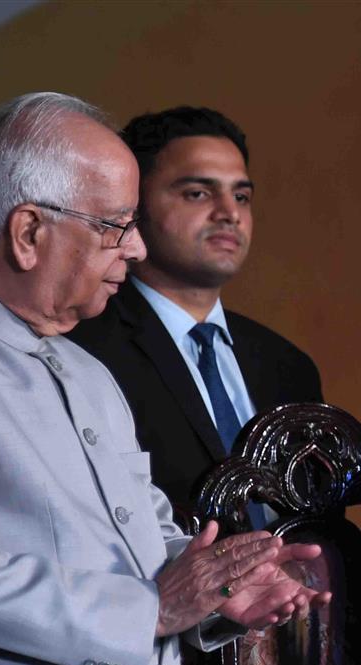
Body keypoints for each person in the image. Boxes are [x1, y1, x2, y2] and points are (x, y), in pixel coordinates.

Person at [0, 92, 328, 665]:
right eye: (114, 225)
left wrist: (223, 583)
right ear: (27, 232)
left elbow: (149, 538)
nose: (135, 246)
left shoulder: (85, 371)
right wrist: (154, 609)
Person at [68, 106, 321, 517]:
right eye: (197, 193)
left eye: (241, 196)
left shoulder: (288, 365)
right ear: (133, 206)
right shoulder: (84, 350)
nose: (229, 213)